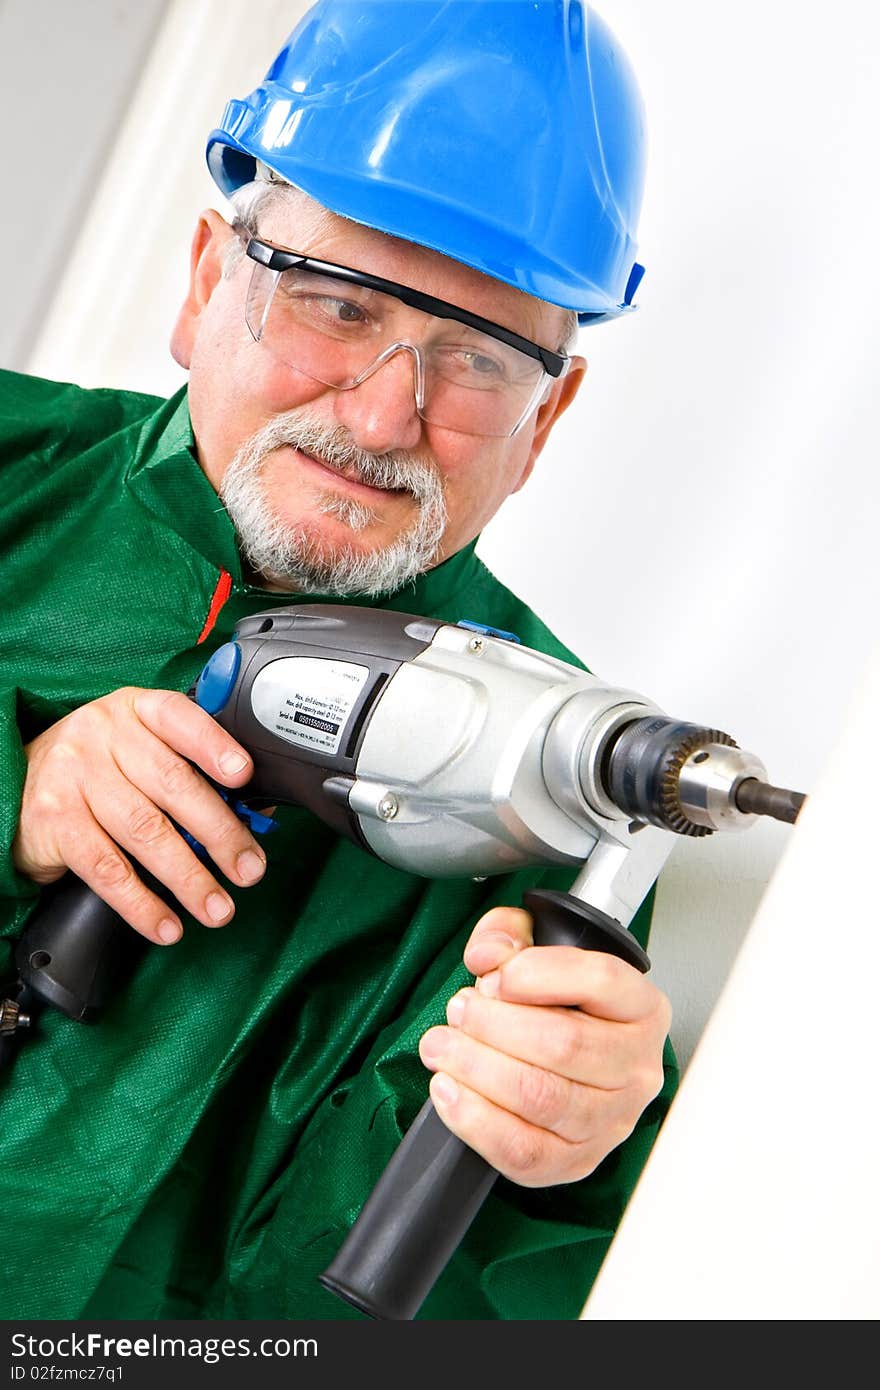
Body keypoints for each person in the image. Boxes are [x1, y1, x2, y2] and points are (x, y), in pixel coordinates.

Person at [0, 0, 676, 1320]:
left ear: (548, 420)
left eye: (479, 357)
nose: (383, 416)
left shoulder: (549, 791)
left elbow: (334, 1324)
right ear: (207, 281)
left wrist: (554, 1163)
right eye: (336, 303)